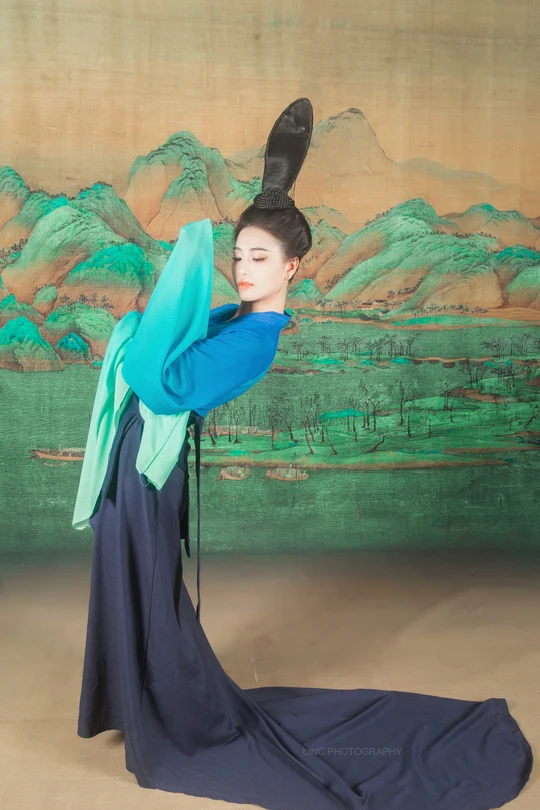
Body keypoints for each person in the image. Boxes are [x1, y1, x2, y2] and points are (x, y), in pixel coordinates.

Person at [76, 99, 532, 810]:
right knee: (127, 575)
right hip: (135, 457)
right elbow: (158, 351)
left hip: (148, 471)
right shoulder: (233, 316)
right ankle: (138, 701)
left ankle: (171, 714)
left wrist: (186, 260)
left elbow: (156, 379)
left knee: (151, 586)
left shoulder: (255, 340)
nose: (243, 269)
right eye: (237, 256)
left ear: (294, 265)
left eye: (260, 258)